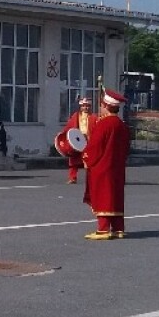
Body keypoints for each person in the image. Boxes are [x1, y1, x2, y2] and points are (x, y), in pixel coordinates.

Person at [81, 88, 131, 240]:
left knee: (103, 195)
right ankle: (118, 228)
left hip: (102, 166)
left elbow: (95, 146)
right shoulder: (122, 125)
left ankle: (103, 229)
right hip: (117, 166)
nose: (100, 108)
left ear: (106, 106)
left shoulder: (103, 124)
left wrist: (86, 158)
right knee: (115, 195)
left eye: (102, 105)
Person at [62, 96, 94, 184]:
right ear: (80, 106)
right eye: (84, 106)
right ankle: (72, 178)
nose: (85, 107)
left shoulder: (93, 117)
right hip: (76, 140)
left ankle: (91, 178)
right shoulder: (75, 116)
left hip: (88, 141)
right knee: (73, 160)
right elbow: (68, 127)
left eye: (87, 106)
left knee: (90, 161)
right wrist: (63, 135)